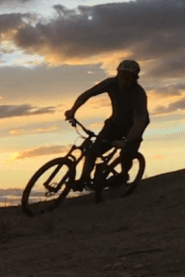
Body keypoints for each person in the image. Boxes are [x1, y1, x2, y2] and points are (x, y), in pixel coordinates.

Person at [64, 60, 150, 190]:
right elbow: (88, 94)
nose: (123, 80)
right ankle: (83, 179)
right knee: (93, 151)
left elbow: (139, 122)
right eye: (121, 76)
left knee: (127, 152)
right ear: (117, 75)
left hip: (133, 127)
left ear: (134, 79)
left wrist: (127, 141)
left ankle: (123, 175)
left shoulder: (138, 94)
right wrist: (73, 110)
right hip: (115, 124)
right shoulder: (111, 83)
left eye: (128, 77)